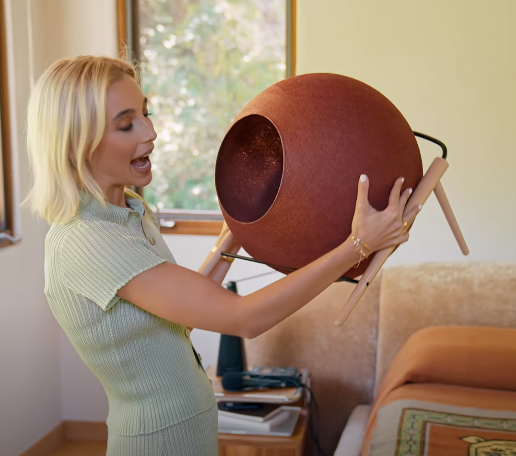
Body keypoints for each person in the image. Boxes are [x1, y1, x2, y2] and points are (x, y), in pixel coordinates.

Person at [24, 55, 420, 456]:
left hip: (191, 427)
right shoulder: (87, 241)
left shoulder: (129, 214)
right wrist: (357, 246)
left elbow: (181, 316)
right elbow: (242, 318)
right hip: (157, 442)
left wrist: (231, 241)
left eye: (146, 114)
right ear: (75, 141)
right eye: (127, 124)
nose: (152, 132)